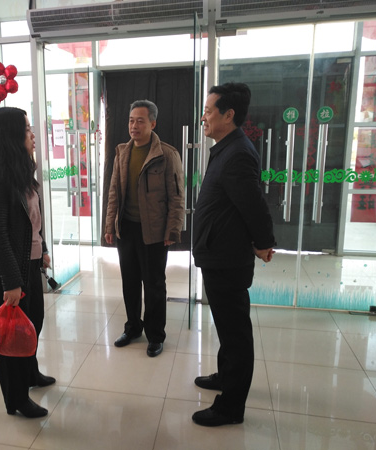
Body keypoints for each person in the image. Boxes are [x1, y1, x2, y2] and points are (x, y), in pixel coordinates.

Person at [191, 82, 275, 427]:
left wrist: (264, 242)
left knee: (235, 332)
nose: (203, 118)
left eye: (208, 111)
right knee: (227, 327)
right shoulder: (227, 147)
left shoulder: (237, 152)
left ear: (228, 115)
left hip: (227, 257)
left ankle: (230, 407)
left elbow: (253, 205)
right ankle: (226, 375)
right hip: (218, 253)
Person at [0, 106, 55, 418]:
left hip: (28, 261)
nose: (32, 135)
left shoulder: (21, 171)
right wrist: (11, 283)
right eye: (27, 129)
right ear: (11, 136)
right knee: (11, 335)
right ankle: (16, 398)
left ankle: (30, 373)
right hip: (6, 270)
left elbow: (32, 220)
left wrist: (42, 250)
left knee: (33, 323)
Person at [104, 99, 185, 358]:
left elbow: (177, 197)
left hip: (154, 231)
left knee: (154, 285)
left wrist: (172, 230)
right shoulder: (122, 152)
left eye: (140, 121)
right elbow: (114, 192)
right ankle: (132, 328)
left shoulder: (167, 154)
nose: (134, 126)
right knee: (129, 282)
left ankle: (155, 335)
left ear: (153, 123)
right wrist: (110, 224)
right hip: (126, 229)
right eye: (131, 121)